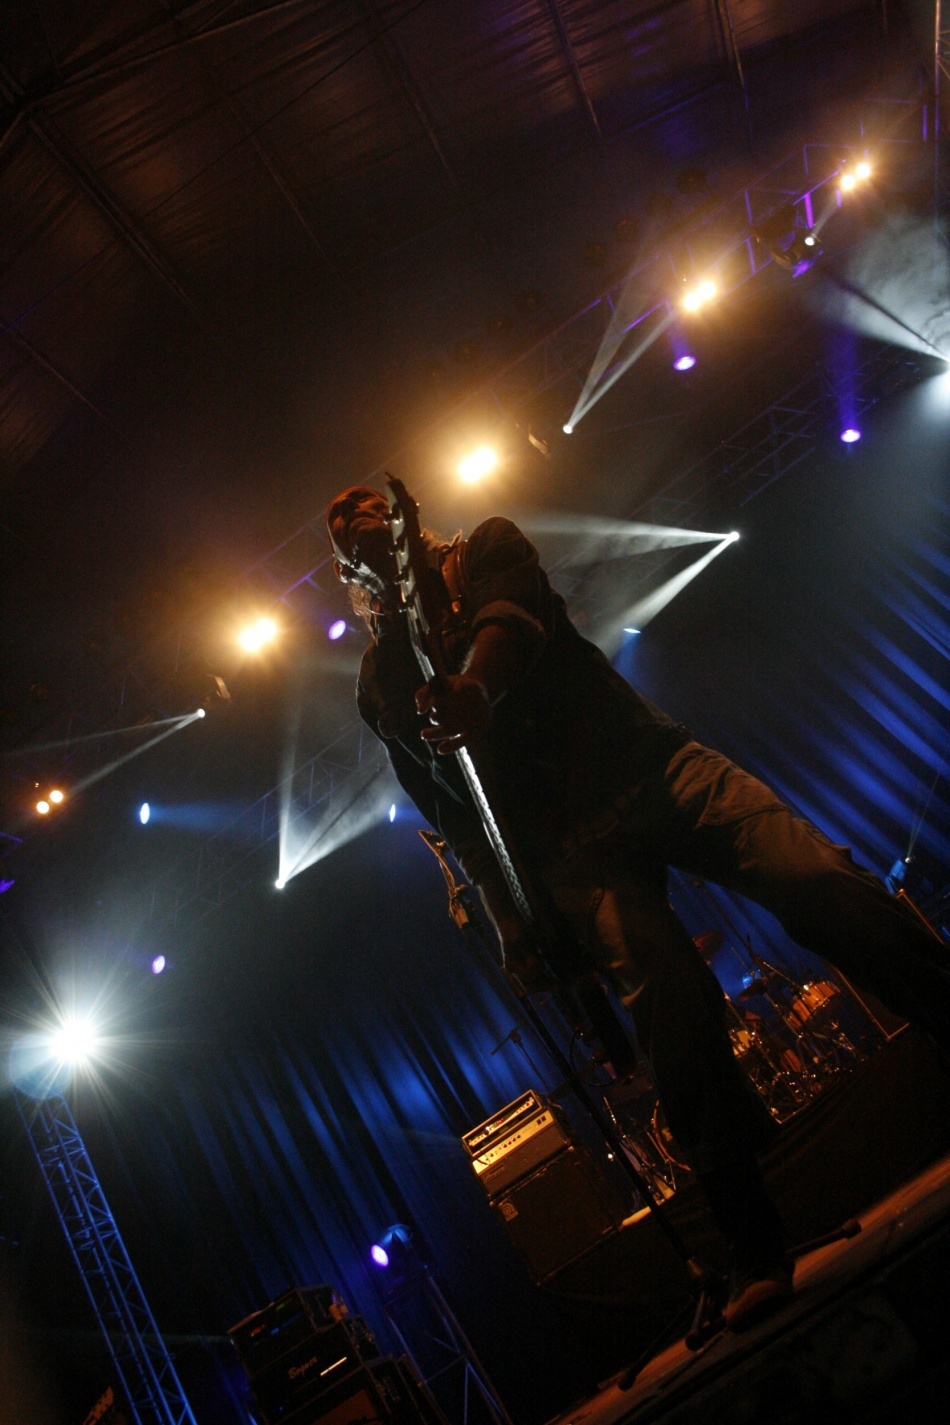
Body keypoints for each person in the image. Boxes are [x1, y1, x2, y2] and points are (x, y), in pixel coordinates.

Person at [326, 484, 950, 1331]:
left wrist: (475, 685)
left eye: (364, 501)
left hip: (655, 770)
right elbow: (452, 817)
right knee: (669, 1012)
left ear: (403, 514)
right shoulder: (381, 678)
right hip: (572, 849)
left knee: (812, 878)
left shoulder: (486, 549)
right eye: (339, 525)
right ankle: (755, 1250)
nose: (350, 512)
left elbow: (514, 621)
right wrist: (512, 924)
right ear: (346, 569)